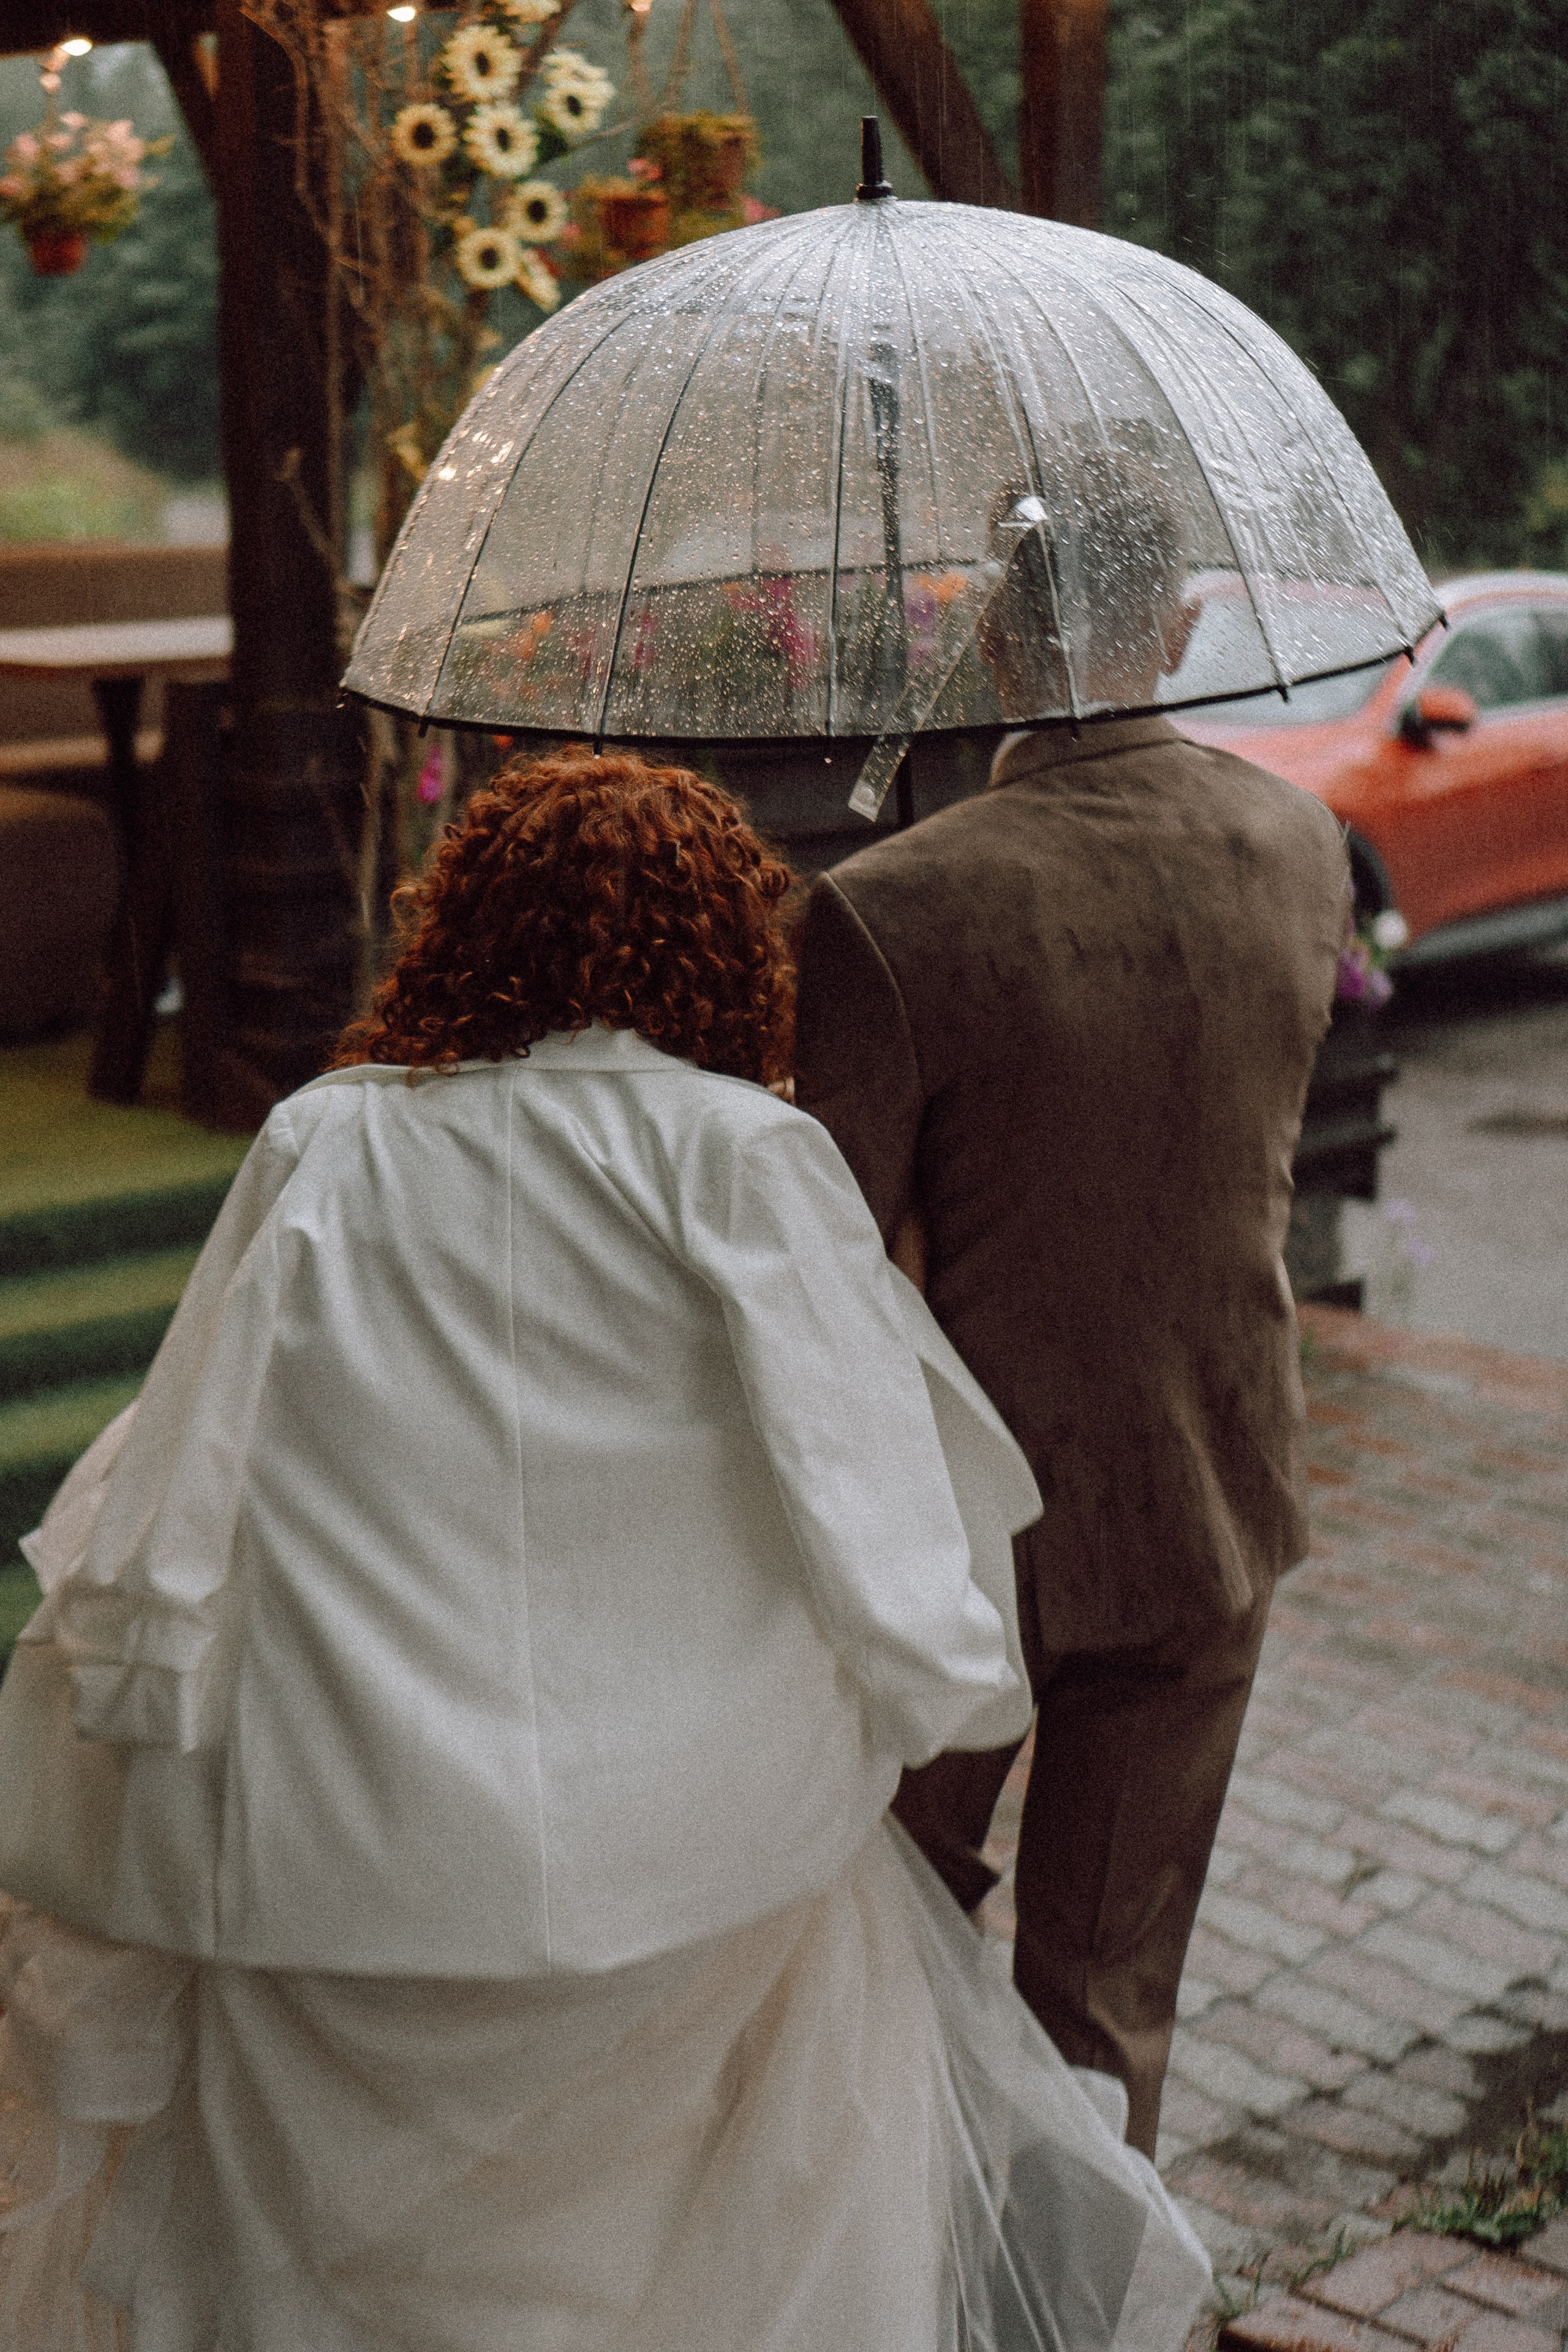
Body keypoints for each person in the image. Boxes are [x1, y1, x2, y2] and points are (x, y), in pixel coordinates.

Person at [0, 753, 1208, 2351]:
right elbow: (860, 1479)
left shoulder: (329, 1142)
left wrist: (150, 1678)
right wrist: (929, 1671)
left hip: (355, 1828)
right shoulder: (744, 1156)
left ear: (464, 929)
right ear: (721, 950)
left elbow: (201, 1454)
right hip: (695, 1839)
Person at [793, 458, 1351, 2160]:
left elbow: (827, 1263)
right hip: (1215, 1486)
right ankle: (1083, 2284)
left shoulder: (888, 910)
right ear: (1173, 627)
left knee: (876, 1939)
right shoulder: (1298, 844)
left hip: (963, 1542)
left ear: (993, 637)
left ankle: (908, 2251)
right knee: (1110, 2000)